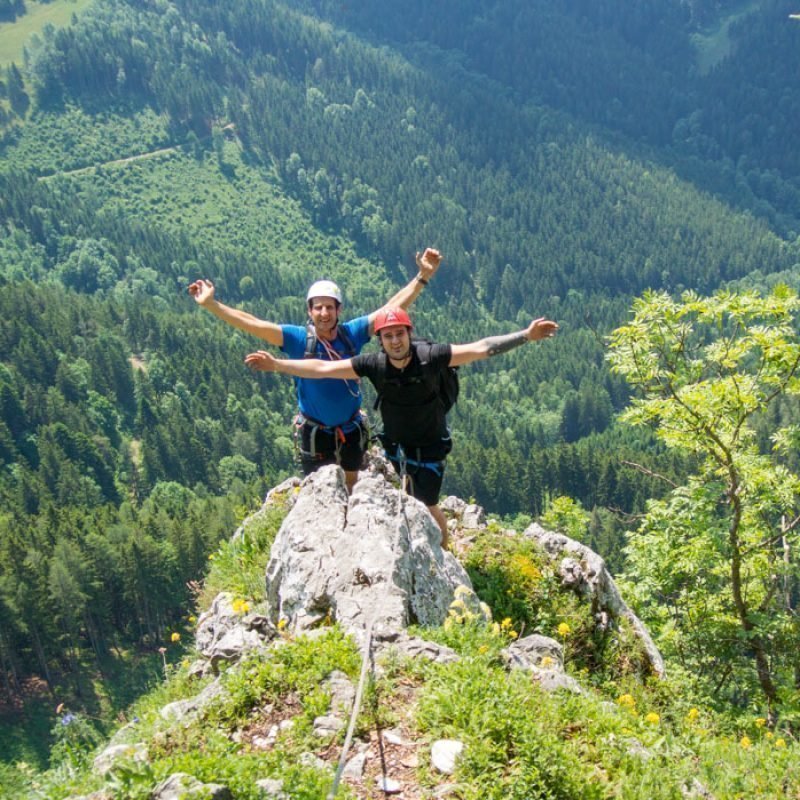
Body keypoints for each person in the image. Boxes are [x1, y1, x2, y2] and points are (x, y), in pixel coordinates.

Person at [244, 306, 559, 547]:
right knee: (408, 497)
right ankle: (417, 542)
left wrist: (525, 336)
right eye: (388, 336)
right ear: (380, 341)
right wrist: (277, 365)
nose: (395, 341)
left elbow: (481, 348)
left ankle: (444, 551)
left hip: (431, 446)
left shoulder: (433, 356)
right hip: (396, 446)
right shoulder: (374, 364)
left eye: (400, 334)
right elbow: (323, 368)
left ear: (409, 334)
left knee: (429, 504)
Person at [189, 249, 442, 492]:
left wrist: (423, 277)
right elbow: (253, 324)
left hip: (350, 428)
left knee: (351, 483)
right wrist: (212, 305)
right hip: (315, 431)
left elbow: (391, 309)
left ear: (338, 310)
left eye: (329, 307)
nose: (324, 313)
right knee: (320, 491)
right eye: (318, 307)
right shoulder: (297, 339)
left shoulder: (350, 334)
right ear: (309, 311)